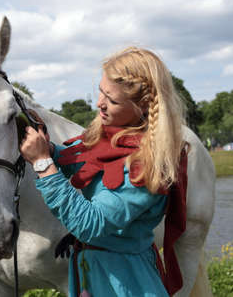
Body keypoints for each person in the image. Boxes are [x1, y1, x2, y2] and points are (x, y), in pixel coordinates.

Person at [19, 46, 187, 297]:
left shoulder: (150, 163)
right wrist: (47, 148)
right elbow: (79, 163)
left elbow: (90, 225)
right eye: (101, 92)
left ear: (143, 106)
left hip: (126, 284)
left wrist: (43, 163)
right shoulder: (107, 138)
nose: (100, 104)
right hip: (91, 275)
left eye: (112, 100)